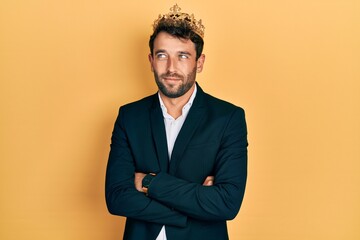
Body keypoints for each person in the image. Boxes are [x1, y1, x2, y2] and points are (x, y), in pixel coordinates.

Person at [105, 4, 248, 240]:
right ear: (151, 60)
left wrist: (148, 182)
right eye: (162, 55)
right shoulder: (129, 116)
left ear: (199, 62)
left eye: (182, 56)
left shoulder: (228, 118)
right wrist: (193, 208)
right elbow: (117, 197)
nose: (171, 68)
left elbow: (227, 204)